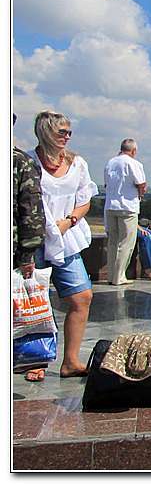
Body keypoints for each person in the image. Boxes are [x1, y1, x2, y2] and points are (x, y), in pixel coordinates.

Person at [28, 110, 98, 378]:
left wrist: (69, 221)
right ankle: (35, 360)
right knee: (35, 299)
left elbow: (84, 199)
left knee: (82, 296)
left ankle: (70, 361)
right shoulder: (28, 162)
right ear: (46, 131)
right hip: (35, 240)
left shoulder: (77, 163)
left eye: (69, 132)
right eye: (62, 132)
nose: (67, 136)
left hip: (66, 238)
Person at [13, 113, 48, 382]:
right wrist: (27, 255)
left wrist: (26, 255)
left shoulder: (20, 162)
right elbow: (32, 214)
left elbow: (32, 215)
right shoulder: (19, 161)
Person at [103, 138, 147, 285]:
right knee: (126, 243)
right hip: (127, 207)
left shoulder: (110, 162)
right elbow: (141, 184)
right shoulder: (134, 163)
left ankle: (111, 276)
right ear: (133, 151)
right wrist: (141, 194)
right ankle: (119, 277)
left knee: (113, 242)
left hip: (110, 206)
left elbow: (106, 184)